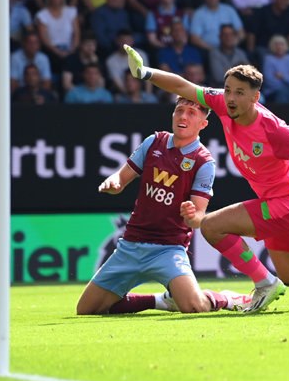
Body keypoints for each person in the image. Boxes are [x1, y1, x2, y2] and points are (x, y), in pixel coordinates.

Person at [123, 46, 289, 312]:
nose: (230, 97)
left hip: (288, 205)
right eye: (228, 89)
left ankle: (264, 283)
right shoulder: (221, 103)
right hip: (282, 204)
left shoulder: (278, 133)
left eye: (240, 93)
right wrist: (145, 72)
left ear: (256, 97)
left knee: (210, 227)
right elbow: (183, 86)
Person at [76, 97, 251, 315]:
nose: (183, 116)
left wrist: (191, 214)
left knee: (194, 307)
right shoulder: (154, 142)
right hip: (131, 246)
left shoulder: (204, 161)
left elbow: (198, 218)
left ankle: (223, 298)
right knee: (87, 309)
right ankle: (162, 300)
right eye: (179, 110)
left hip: (168, 249)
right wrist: (114, 183)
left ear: (202, 124)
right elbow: (121, 179)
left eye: (191, 113)